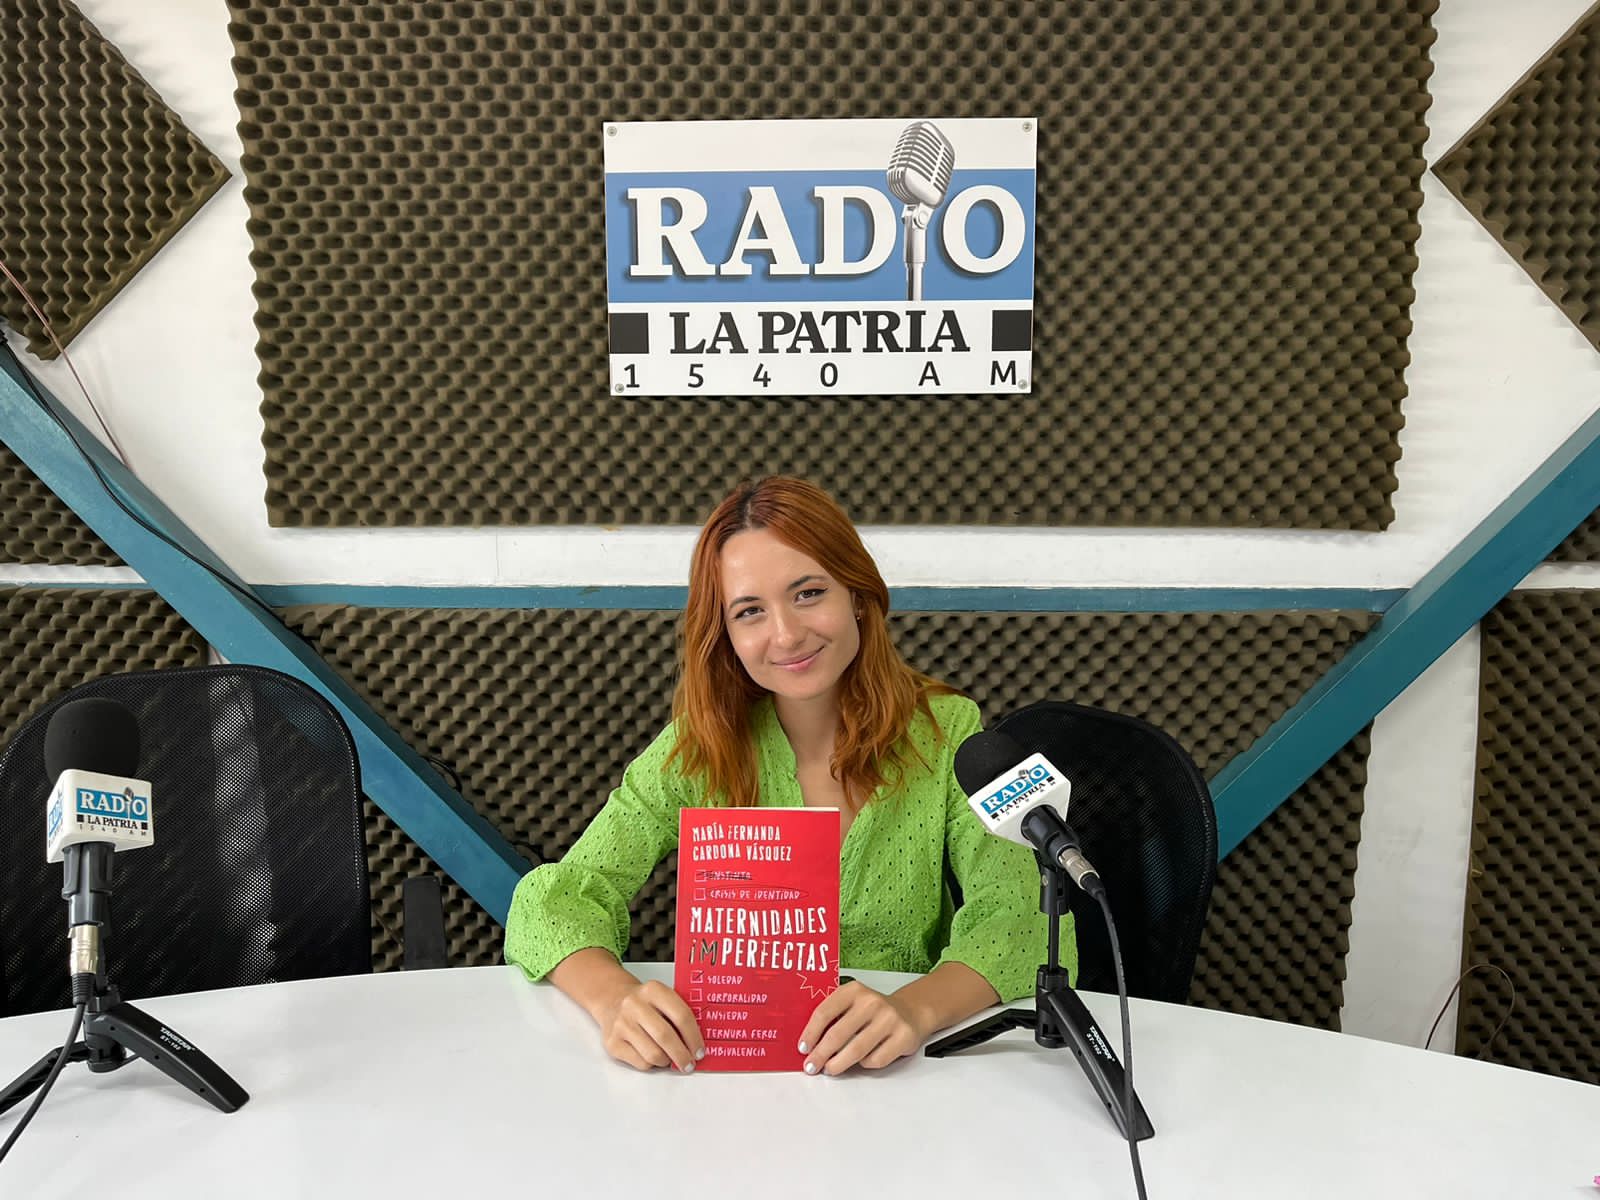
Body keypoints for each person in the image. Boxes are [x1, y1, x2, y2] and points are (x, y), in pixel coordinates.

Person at [504, 476, 1072, 1075]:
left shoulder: (947, 731)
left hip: (896, 1076)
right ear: (725, 633)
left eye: (808, 593)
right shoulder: (698, 749)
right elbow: (553, 902)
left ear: (856, 594)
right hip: (726, 1083)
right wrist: (613, 999)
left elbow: (1021, 918)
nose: (786, 634)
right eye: (750, 611)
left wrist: (913, 1009)